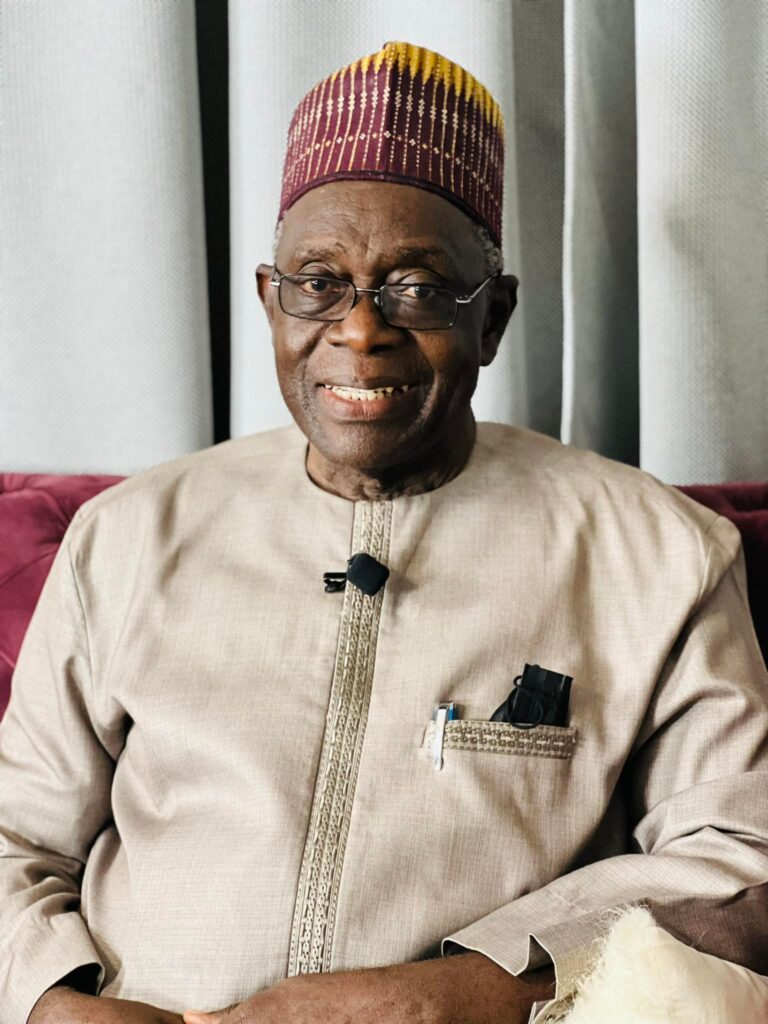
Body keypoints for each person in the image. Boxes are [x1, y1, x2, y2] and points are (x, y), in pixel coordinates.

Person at [3, 40, 768, 1024]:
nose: (360, 332)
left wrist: (453, 994)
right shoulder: (126, 537)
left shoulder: (659, 552)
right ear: (270, 301)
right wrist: (56, 1004)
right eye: (317, 282)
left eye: (417, 287)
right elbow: (16, 836)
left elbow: (740, 859)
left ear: (492, 320)